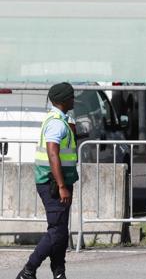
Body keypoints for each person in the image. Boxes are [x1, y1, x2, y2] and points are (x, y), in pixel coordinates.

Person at [16, 82, 78, 279]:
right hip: (53, 184)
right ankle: (28, 270)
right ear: (63, 100)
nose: (73, 99)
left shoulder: (61, 120)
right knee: (57, 232)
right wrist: (61, 186)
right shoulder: (56, 123)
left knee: (60, 230)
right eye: (71, 96)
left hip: (59, 182)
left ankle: (59, 273)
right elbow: (53, 154)